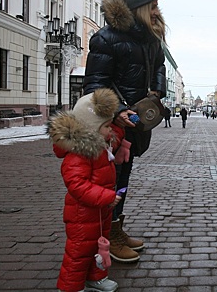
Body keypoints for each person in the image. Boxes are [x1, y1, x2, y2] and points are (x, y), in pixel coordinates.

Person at [83, 0, 167, 263]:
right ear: (139, 7)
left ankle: (116, 229)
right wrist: (118, 110)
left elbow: (159, 66)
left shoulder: (150, 38)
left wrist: (157, 91)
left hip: (136, 125)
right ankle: (105, 238)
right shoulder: (105, 39)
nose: (157, 10)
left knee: (122, 181)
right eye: (153, 5)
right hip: (112, 128)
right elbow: (94, 83)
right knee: (108, 184)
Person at [48, 88, 123, 292]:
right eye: (107, 126)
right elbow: (77, 185)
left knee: (99, 247)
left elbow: (116, 137)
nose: (111, 130)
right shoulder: (79, 155)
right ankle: (70, 287)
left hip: (99, 212)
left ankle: (96, 278)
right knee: (79, 253)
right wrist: (107, 196)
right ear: (91, 128)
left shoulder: (100, 147)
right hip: (82, 215)